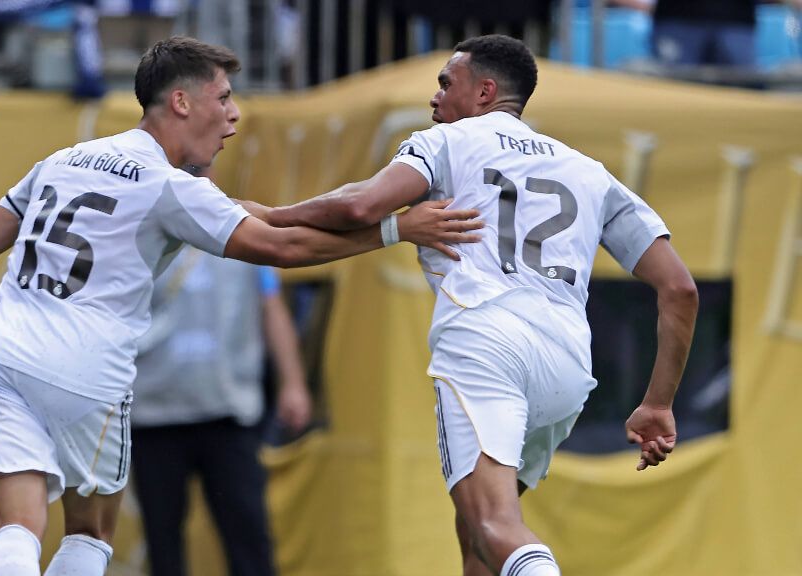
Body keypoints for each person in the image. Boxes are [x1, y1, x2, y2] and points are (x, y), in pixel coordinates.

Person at [0, 36, 483, 576]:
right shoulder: (168, 186)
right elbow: (280, 245)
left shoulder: (62, 161)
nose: (234, 114)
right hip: (85, 369)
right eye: (222, 97)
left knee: (16, 527)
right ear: (180, 101)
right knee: (91, 532)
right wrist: (396, 229)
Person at [262, 34, 699, 576]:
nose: (436, 98)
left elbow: (361, 205)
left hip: (485, 338)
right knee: (475, 530)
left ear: (485, 91)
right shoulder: (590, 172)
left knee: (493, 522)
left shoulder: (449, 142)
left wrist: (269, 212)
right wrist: (658, 403)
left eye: (447, 83)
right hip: (565, 363)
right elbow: (680, 289)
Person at [131, 243, 310, 576]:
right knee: (162, 542)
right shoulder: (139, 229)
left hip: (228, 412)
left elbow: (270, 304)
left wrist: (293, 383)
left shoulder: (242, 230)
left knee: (248, 533)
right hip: (153, 413)